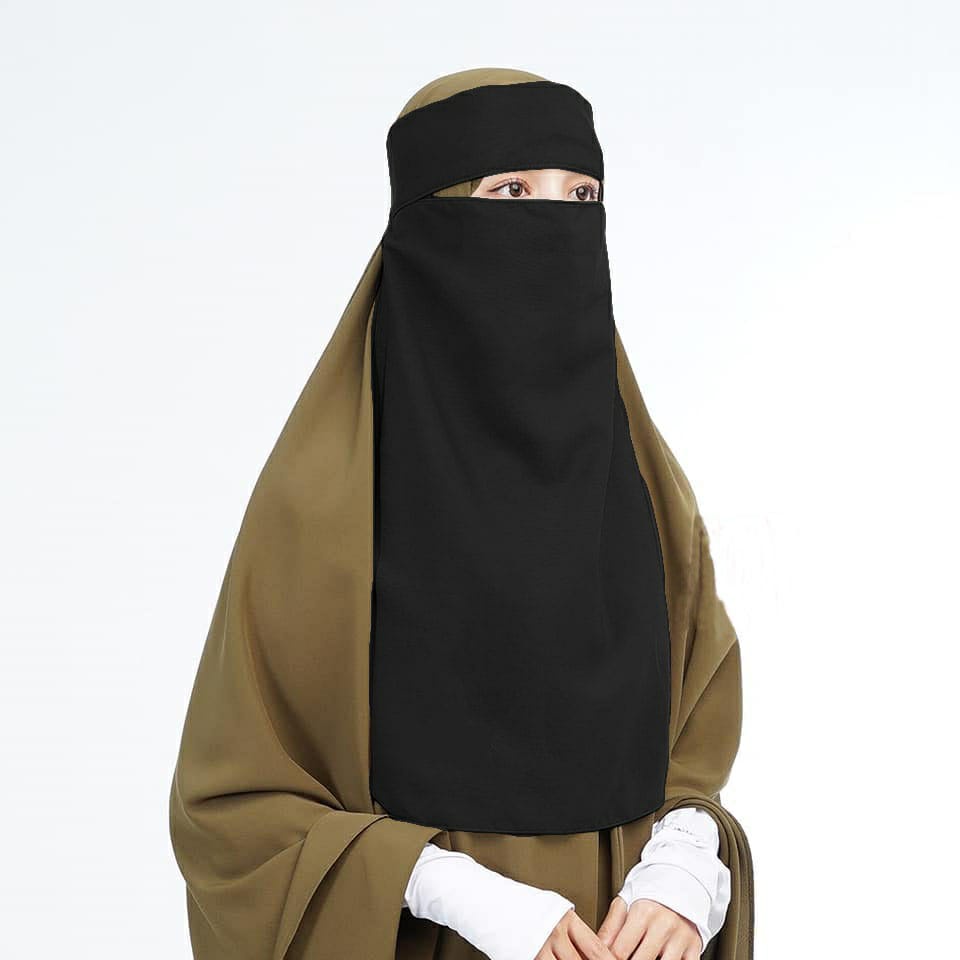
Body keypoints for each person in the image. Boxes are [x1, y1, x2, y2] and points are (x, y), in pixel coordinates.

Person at [169, 67, 754, 960]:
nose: (553, 223)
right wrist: (445, 887)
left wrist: (685, 863)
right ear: (428, 219)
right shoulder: (320, 507)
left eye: (581, 196)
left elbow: (693, 744)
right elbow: (230, 810)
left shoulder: (645, 488)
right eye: (511, 192)